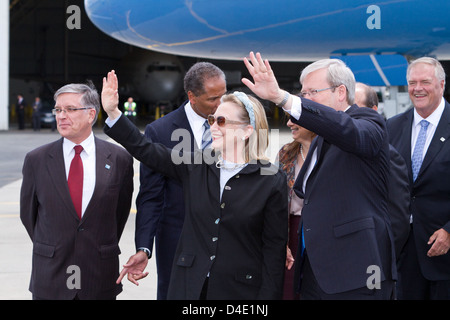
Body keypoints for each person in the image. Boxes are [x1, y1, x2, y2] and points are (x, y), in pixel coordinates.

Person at [102, 70, 288, 300]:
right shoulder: (196, 165)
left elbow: (274, 251)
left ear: (246, 131)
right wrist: (113, 113)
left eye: (221, 121)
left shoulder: (270, 178)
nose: (213, 126)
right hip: (189, 286)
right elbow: (147, 149)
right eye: (212, 119)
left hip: (239, 291)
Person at [242, 52, 396, 299]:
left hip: (358, 272)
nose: (306, 99)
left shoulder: (368, 122)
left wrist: (282, 97)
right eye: (304, 94)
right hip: (316, 273)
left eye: (313, 92)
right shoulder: (318, 139)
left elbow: (345, 130)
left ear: (341, 92)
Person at [121, 62, 227, 300]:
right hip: (178, 242)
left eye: (224, 95)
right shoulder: (161, 131)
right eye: (212, 99)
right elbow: (150, 196)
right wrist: (144, 247)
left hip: (227, 241)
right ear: (192, 96)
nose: (220, 104)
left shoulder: (233, 124)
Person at [20, 81, 134, 300]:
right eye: (58, 109)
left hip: (98, 276)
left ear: (91, 114)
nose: (61, 116)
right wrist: (54, 244)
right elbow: (29, 216)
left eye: (70, 109)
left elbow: (119, 215)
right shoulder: (36, 159)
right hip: (51, 276)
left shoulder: (119, 159)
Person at [386, 57, 450, 300]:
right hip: (402, 251)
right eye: (412, 82)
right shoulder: (391, 127)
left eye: (425, 82)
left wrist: (449, 231)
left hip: (443, 250)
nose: (417, 88)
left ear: (442, 85)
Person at [354, 82, 410, 260]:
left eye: (355, 108)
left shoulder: (386, 155)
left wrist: (381, 259)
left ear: (374, 111)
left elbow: (397, 220)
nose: (346, 116)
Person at [277, 114, 316, 300]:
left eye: (295, 118)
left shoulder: (332, 153)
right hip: (291, 234)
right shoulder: (285, 153)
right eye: (288, 118)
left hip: (320, 233)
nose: (289, 123)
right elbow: (274, 198)